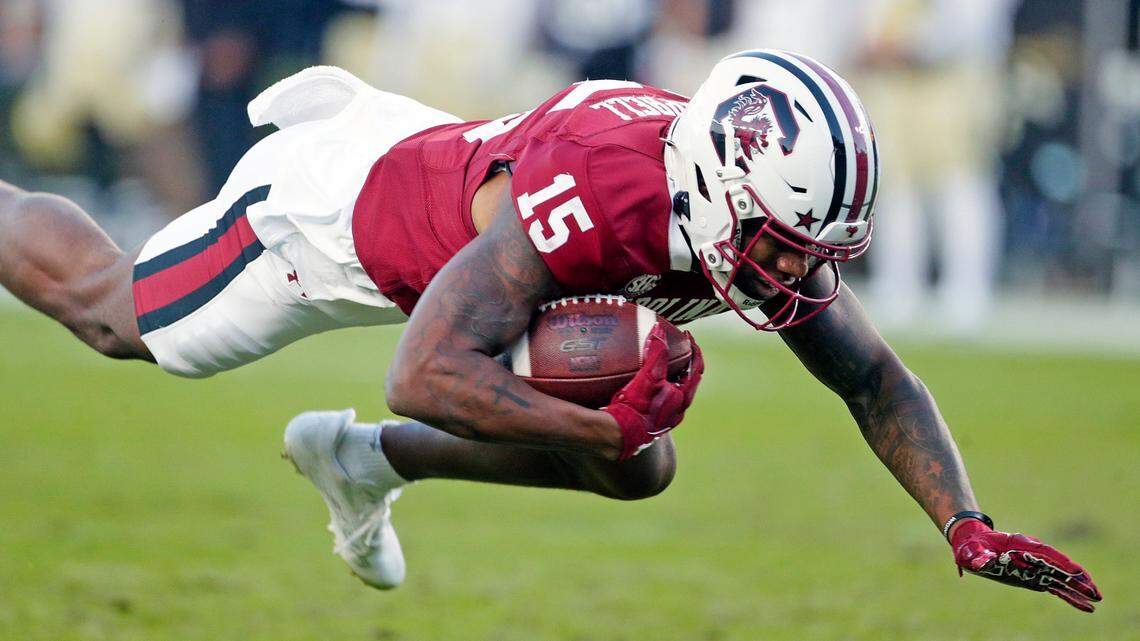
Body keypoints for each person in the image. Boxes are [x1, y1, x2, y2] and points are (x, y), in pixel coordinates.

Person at [0, 52, 1101, 611]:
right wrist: (600, 426)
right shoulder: (610, 190)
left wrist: (965, 523)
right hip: (324, 220)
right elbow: (423, 370)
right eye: (777, 243)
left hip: (442, 198)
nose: (791, 271)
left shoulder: (737, 209)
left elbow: (875, 379)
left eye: (809, 248)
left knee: (641, 466)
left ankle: (354, 463)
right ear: (722, 184)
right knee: (110, 310)